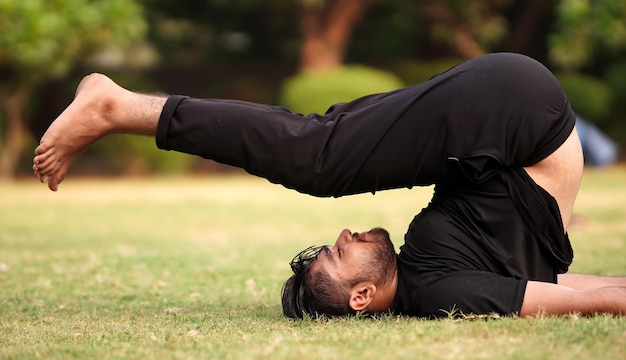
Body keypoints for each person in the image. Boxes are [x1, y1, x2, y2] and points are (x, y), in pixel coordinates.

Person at [33, 53, 626, 319]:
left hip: (507, 116)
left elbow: (549, 291)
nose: (343, 234)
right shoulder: (443, 294)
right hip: (511, 114)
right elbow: (570, 294)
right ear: (361, 298)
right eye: (340, 252)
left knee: (322, 146)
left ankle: (124, 108)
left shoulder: (429, 275)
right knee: (318, 155)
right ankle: (115, 106)